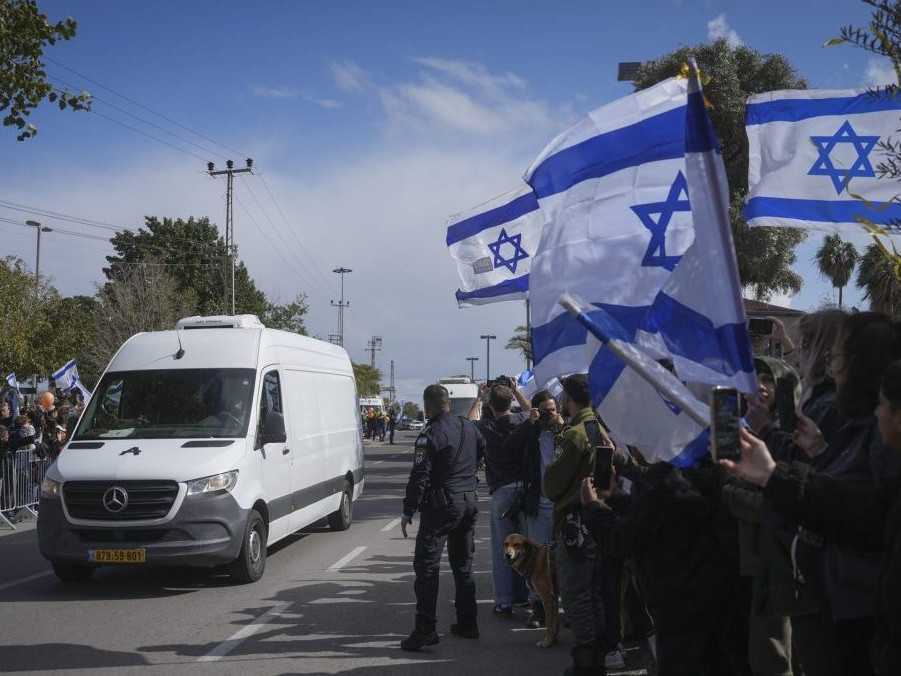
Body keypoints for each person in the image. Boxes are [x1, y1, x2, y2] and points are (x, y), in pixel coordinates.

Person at [722, 312, 901, 676]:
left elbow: (861, 511)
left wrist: (772, 475)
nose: (832, 369)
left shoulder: (877, 440)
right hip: (830, 600)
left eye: (836, 358)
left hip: (853, 612)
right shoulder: (857, 428)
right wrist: (815, 453)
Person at [399, 384, 484, 651]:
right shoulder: (469, 427)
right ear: (449, 403)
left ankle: (425, 630)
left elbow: (420, 476)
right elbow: (482, 451)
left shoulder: (430, 433)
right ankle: (468, 623)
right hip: (468, 501)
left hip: (442, 506)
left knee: (427, 567)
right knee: (463, 565)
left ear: (428, 406)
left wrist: (408, 509)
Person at [543, 373, 610, 676]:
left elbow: (552, 484)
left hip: (573, 521)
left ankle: (587, 660)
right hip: (595, 518)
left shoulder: (574, 434)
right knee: (593, 592)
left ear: (568, 400)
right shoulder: (596, 427)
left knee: (575, 594)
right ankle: (598, 653)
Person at [505, 389, 564, 628]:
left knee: (563, 558)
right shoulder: (533, 432)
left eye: (554, 409)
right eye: (545, 410)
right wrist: (530, 424)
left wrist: (562, 427)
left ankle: (563, 608)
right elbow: (509, 447)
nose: (550, 414)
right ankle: (538, 608)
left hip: (562, 504)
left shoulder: (566, 431)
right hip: (538, 504)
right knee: (537, 561)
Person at [470, 382, 530, 615]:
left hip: (501, 492)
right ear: (510, 402)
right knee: (524, 546)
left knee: (502, 549)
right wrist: (516, 391)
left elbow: (468, 421)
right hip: (525, 491)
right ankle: (525, 595)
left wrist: (479, 397)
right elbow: (532, 408)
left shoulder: (485, 427)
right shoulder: (522, 420)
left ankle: (504, 600)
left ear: (490, 405)